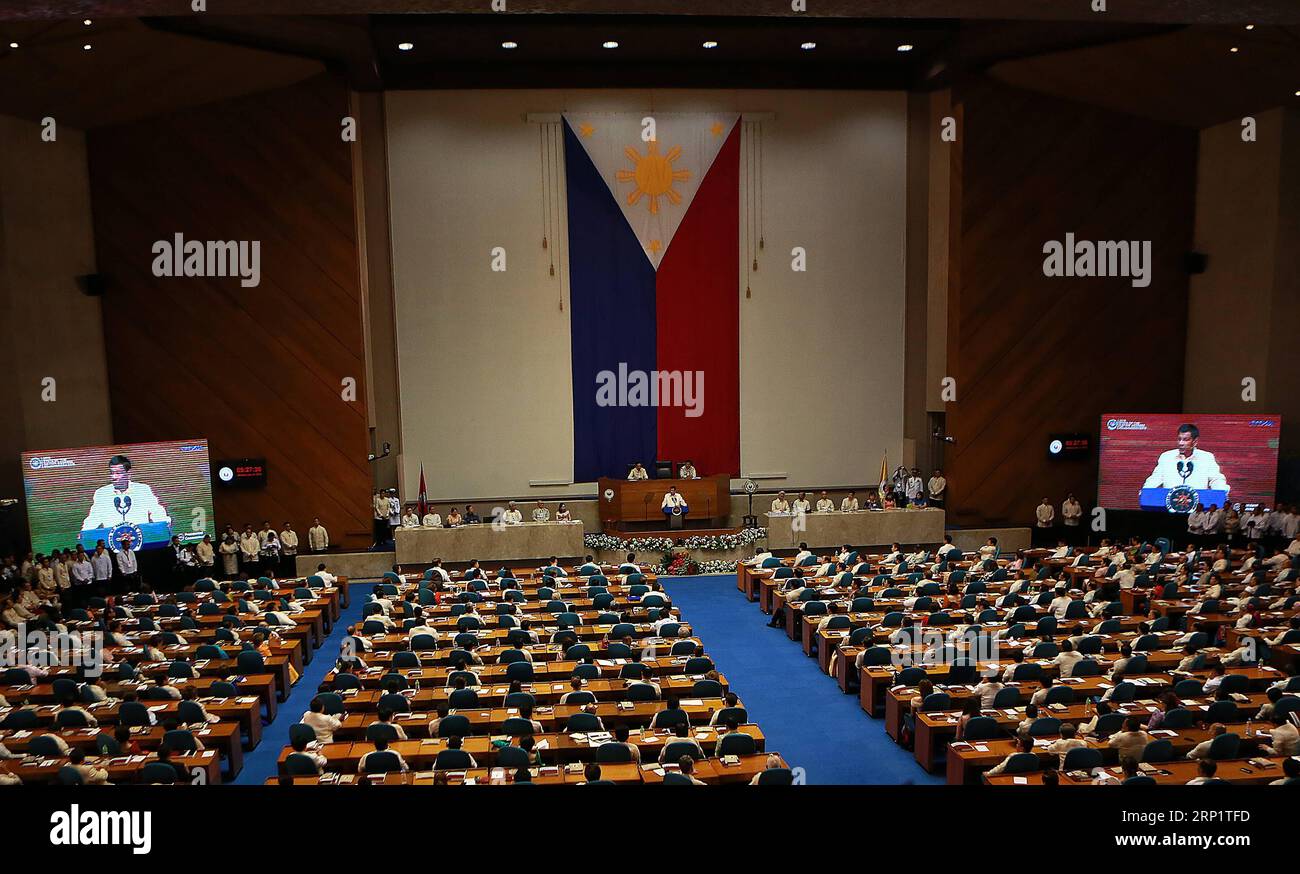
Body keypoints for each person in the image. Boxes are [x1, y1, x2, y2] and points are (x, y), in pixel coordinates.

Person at [80, 454, 171, 531]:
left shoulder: (143, 490)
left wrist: (164, 524)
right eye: (111, 473)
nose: (113, 477)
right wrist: (84, 532)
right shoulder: (102, 494)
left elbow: (157, 511)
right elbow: (93, 519)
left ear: (128, 474)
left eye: (118, 473)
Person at [1142, 422, 1230, 496]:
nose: (1181, 443)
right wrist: (1145, 491)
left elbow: (1216, 480)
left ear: (1195, 442)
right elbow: (1155, 479)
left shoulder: (1206, 458)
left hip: (1196, 507)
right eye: (1179, 439)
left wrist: (1222, 492)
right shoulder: (1166, 457)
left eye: (1185, 440)